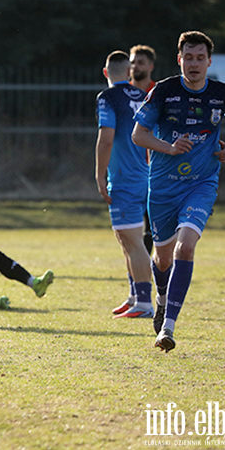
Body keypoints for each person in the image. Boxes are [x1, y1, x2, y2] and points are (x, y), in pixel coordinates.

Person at [132, 31, 225, 352]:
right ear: (179, 59)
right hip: (163, 188)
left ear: (209, 61)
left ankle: (167, 327)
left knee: (186, 247)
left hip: (202, 183)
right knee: (163, 256)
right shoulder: (164, 92)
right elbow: (138, 135)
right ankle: (162, 297)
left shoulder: (221, 93)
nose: (194, 64)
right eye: (188, 57)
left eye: (200, 58)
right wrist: (168, 147)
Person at [95, 51, 153, 319]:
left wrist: (99, 175)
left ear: (106, 73)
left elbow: (106, 139)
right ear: (129, 72)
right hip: (143, 176)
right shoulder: (142, 96)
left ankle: (144, 303)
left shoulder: (107, 98)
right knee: (126, 239)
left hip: (125, 179)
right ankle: (134, 296)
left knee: (133, 240)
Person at [129, 44, 157, 255]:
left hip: (152, 164)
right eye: (132, 62)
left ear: (150, 66)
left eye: (140, 62)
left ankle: (146, 263)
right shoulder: (122, 93)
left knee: (152, 218)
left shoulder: (158, 93)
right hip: (129, 165)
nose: (134, 66)